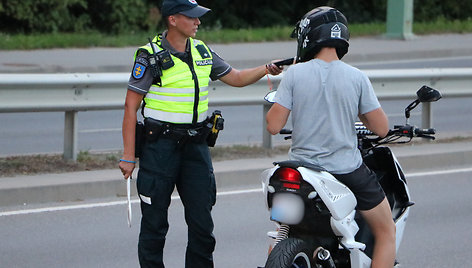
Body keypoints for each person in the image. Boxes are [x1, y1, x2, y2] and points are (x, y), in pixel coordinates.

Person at [118, 0, 282, 267]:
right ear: (172, 19)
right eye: (192, 17)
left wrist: (267, 68)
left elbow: (237, 78)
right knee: (155, 226)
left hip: (195, 148)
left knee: (202, 227)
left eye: (199, 17)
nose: (198, 22)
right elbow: (130, 106)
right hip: (159, 148)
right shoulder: (149, 55)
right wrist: (128, 156)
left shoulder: (202, 51)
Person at [265, 6, 396, 268]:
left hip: (301, 171)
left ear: (308, 37)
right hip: (345, 169)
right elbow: (381, 128)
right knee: (386, 232)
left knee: (283, 232)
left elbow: (273, 125)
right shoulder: (356, 77)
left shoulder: (294, 74)